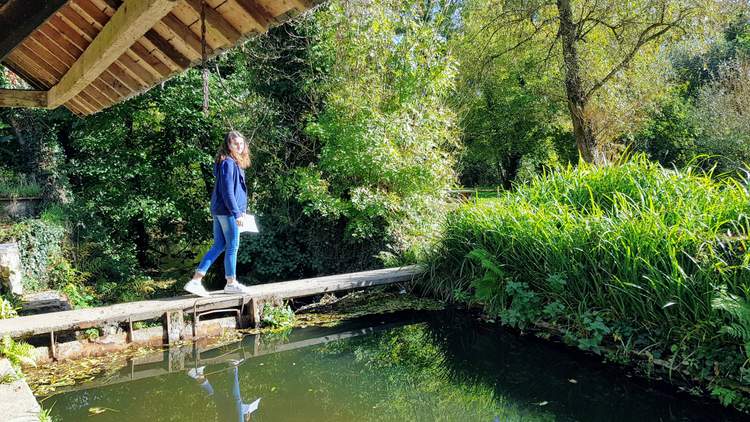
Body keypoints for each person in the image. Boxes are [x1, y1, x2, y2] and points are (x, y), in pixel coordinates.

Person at [184, 130, 253, 297]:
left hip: (223, 210)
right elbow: (228, 191)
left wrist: (240, 211)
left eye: (241, 143)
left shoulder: (232, 162)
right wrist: (237, 213)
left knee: (219, 245)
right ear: (228, 145)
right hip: (228, 211)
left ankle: (196, 280)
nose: (239, 146)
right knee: (232, 246)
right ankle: (231, 283)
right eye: (235, 143)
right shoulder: (228, 163)